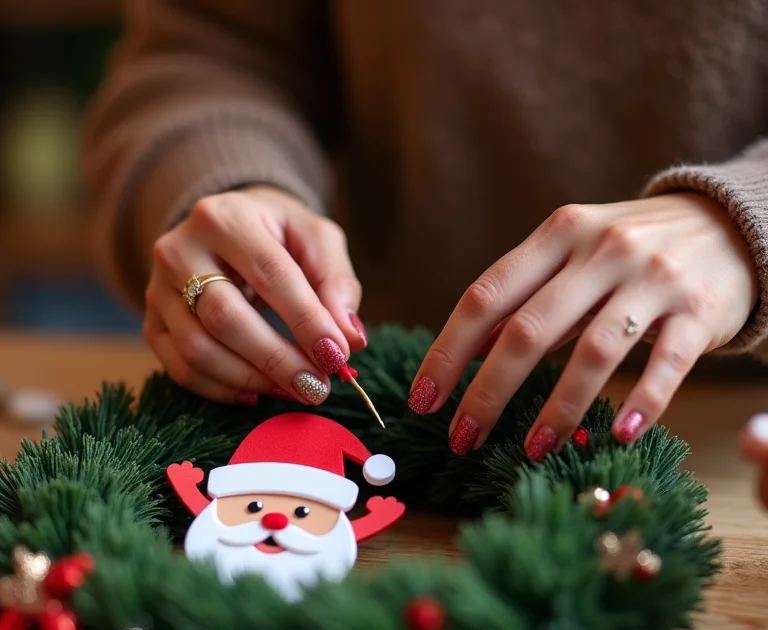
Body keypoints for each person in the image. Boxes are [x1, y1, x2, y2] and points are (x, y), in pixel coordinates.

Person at [81, 1, 768, 463]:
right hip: (369, 399)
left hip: (732, 455)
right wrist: (229, 184)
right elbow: (210, 48)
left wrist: (741, 228)